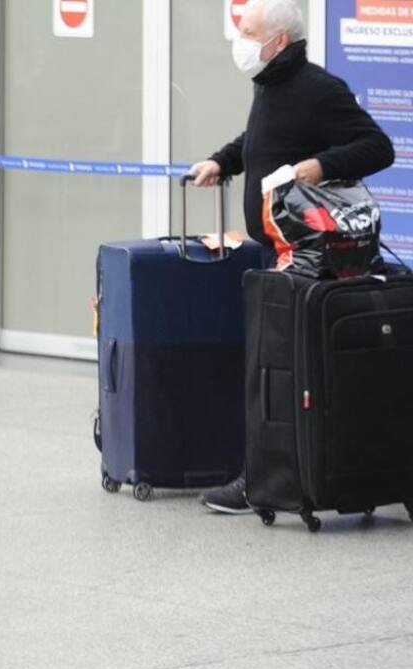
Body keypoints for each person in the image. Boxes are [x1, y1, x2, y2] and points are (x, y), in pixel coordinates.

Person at [188, 0, 394, 515]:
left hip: (305, 258)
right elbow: (262, 143)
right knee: (269, 368)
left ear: (278, 40)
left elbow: (378, 147)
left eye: (249, 31)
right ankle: (272, 472)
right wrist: (222, 159)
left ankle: (262, 479)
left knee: (275, 371)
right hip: (271, 250)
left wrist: (319, 166)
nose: (240, 40)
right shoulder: (270, 85)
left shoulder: (320, 90)